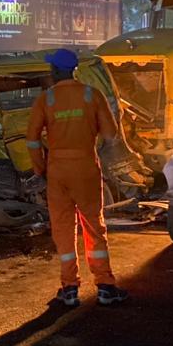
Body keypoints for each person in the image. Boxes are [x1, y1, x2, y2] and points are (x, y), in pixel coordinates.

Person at [26, 48, 129, 308]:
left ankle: (69, 290)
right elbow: (110, 134)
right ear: (74, 70)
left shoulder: (46, 99)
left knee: (63, 229)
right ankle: (105, 286)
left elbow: (32, 140)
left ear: (54, 71)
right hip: (86, 168)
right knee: (94, 227)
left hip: (57, 171)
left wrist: (40, 170)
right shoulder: (92, 95)